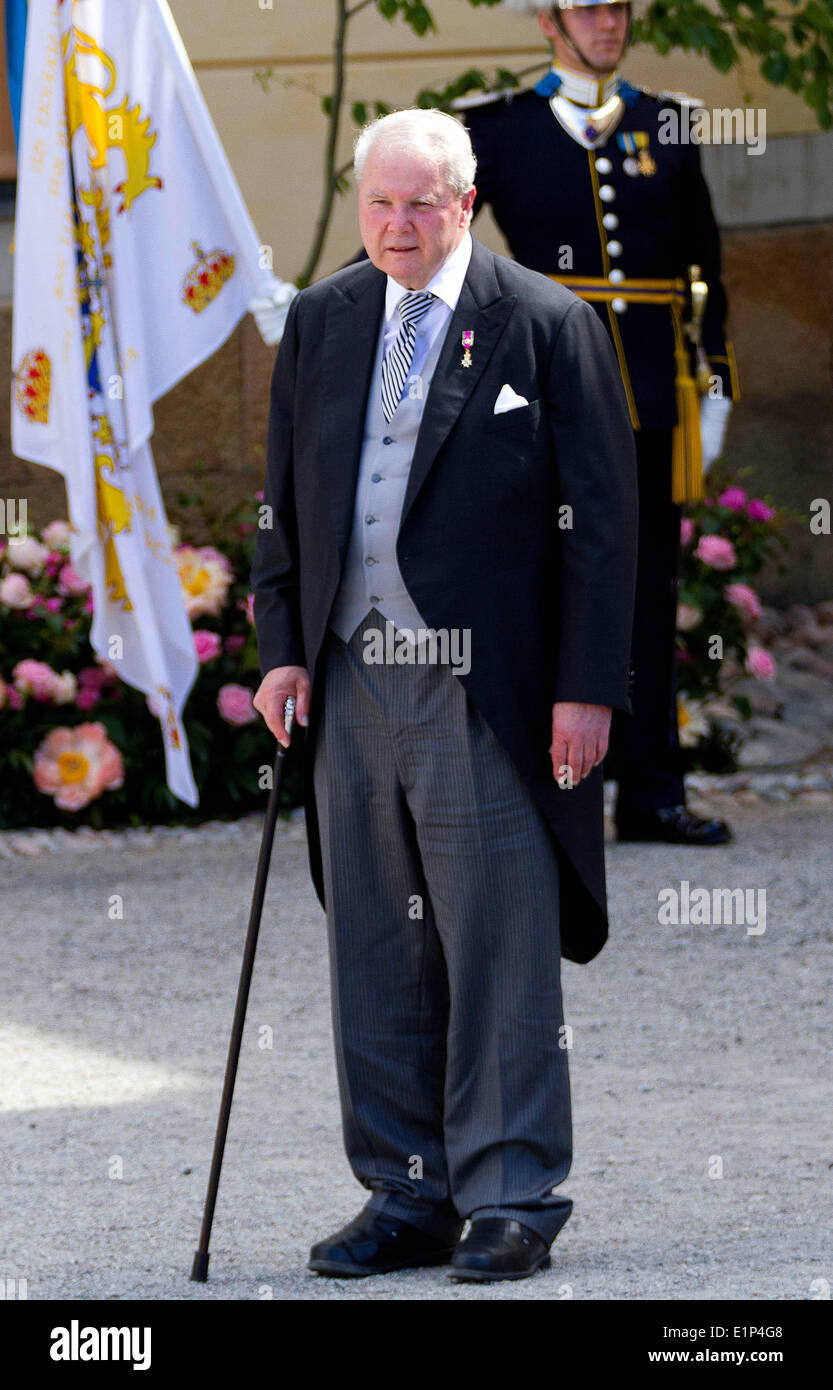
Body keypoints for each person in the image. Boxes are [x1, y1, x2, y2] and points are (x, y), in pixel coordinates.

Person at [251, 108, 637, 1282]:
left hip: (485, 681)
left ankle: (512, 1194)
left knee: (497, 940)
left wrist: (584, 689)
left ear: (463, 203)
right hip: (350, 671)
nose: (394, 225)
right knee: (374, 942)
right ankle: (403, 1192)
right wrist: (277, 648)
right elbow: (281, 508)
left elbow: (604, 529)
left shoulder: (543, 322)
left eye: (419, 203)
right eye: (377, 201)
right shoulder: (318, 322)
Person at [458, 0, 740, 844]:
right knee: (541, 589)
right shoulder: (497, 130)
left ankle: (651, 794)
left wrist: (715, 382)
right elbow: (429, 231)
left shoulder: (668, 125)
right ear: (548, 21)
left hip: (653, 397)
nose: (608, 23)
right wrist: (325, 304)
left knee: (646, 594)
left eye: (617, 7)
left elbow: (703, 268)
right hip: (545, 393)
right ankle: (548, 793)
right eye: (588, 8)